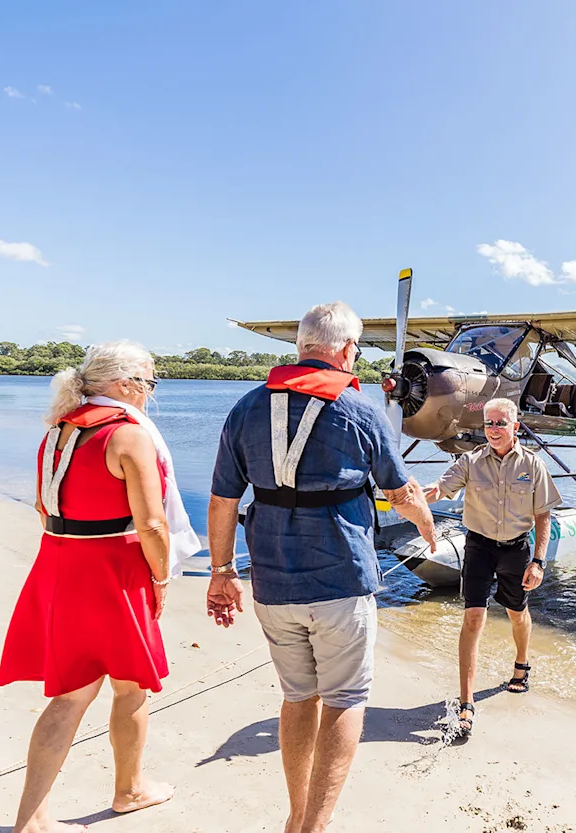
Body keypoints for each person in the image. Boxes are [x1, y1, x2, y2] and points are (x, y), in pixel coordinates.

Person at [205, 301, 437, 833]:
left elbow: (221, 502)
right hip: (342, 585)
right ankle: (314, 825)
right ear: (347, 349)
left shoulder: (245, 408)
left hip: (272, 583)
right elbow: (401, 492)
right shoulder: (360, 412)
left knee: (297, 697)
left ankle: (294, 816)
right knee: (346, 699)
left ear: (301, 347)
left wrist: (222, 572)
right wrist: (429, 529)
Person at [0, 340, 201, 833]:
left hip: (59, 562)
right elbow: (152, 524)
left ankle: (33, 816)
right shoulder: (128, 436)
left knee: (70, 694)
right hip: (112, 569)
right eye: (150, 383)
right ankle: (128, 791)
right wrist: (159, 576)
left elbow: (44, 506)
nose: (151, 394)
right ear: (125, 385)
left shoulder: (59, 431)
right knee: (130, 687)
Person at [422, 397, 561, 740]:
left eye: (501, 423)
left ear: (515, 427)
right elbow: (441, 488)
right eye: (488, 423)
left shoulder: (534, 465)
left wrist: (539, 562)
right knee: (472, 617)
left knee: (516, 612)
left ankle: (522, 662)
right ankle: (466, 702)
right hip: (479, 547)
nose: (494, 429)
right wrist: (413, 495)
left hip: (516, 549)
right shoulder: (470, 461)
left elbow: (543, 516)